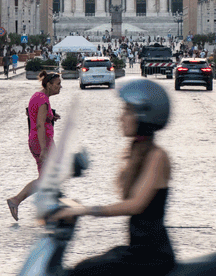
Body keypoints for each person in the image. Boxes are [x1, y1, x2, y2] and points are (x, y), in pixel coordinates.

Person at [54, 79, 175, 276]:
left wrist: (85, 210)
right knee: (86, 266)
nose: (120, 117)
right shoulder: (138, 152)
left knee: (84, 271)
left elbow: (135, 205)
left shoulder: (157, 156)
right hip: (139, 251)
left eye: (127, 111)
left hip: (152, 256)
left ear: (144, 114)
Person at [6, 70, 63, 221]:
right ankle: (26, 203)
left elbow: (32, 114)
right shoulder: (43, 100)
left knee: (48, 177)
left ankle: (25, 202)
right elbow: (39, 125)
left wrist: (51, 117)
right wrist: (44, 149)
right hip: (41, 142)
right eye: (58, 84)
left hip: (39, 141)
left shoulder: (38, 96)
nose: (60, 87)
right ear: (49, 85)